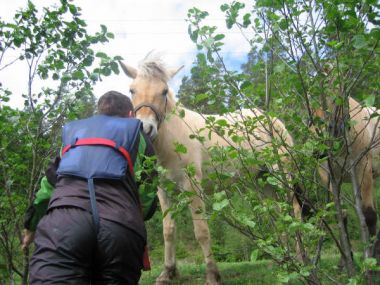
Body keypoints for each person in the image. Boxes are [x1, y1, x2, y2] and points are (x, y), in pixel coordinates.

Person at [22, 91, 158, 284]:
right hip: (120, 227)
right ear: (130, 115)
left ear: (98, 113)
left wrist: (30, 225)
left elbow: (49, 187)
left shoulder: (76, 134)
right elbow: (147, 196)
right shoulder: (139, 134)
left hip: (63, 225)